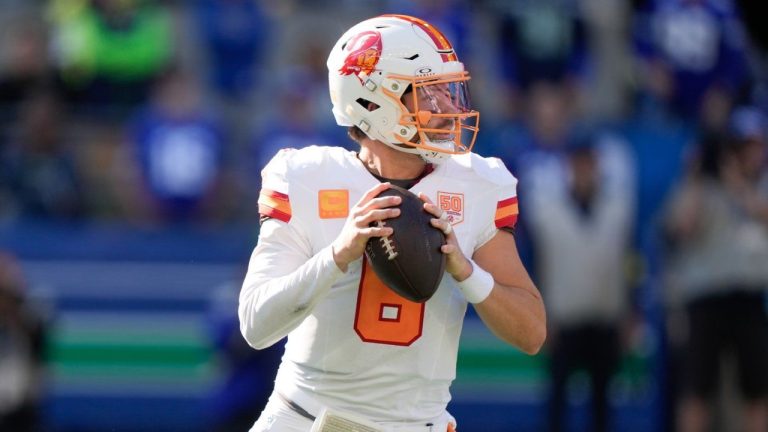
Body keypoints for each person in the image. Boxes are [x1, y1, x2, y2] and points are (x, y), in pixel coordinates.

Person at [238, 14, 546, 431]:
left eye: (447, 90)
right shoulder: (306, 177)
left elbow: (531, 333)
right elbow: (256, 325)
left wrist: (466, 271)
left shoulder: (478, 183)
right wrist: (337, 255)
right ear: (372, 101)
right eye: (429, 93)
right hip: (309, 421)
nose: (450, 107)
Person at [663, 106, 768, 432]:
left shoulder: (760, 184)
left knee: (758, 389)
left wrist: (735, 182)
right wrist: (696, 177)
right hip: (705, 297)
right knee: (696, 389)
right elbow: (681, 228)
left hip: (750, 296)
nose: (748, 154)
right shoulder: (701, 185)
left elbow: (761, 212)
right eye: (740, 146)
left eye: (754, 145)